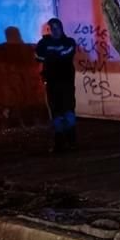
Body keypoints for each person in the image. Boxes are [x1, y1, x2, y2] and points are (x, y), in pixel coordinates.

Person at [35, 18, 78, 152]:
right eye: (52, 28)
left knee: (69, 110)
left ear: (61, 28)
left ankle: (71, 141)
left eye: (57, 28)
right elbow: (38, 56)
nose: (55, 31)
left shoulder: (69, 42)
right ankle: (59, 141)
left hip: (66, 82)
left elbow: (66, 54)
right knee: (55, 112)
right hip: (52, 83)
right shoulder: (44, 43)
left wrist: (50, 55)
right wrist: (53, 56)